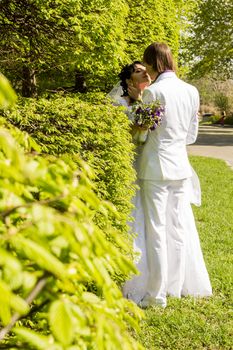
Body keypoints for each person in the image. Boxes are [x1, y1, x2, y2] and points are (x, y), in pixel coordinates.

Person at [108, 56, 212, 308]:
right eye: (138, 72)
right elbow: (132, 138)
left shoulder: (154, 95)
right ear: (128, 79)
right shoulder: (121, 101)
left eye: (146, 71)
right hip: (140, 167)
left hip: (154, 167)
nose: (145, 75)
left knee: (167, 225)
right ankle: (156, 283)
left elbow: (150, 135)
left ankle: (165, 287)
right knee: (154, 223)